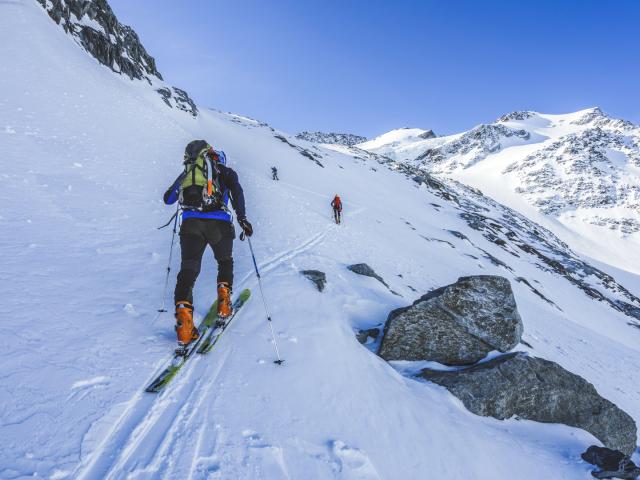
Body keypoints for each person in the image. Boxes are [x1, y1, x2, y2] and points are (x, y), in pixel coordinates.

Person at [163, 140, 253, 346]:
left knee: (189, 268)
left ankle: (185, 326)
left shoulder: (189, 172)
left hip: (190, 224)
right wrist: (242, 219)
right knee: (225, 261)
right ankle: (224, 303)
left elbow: (168, 199)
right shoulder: (226, 172)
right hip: (219, 224)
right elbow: (237, 194)